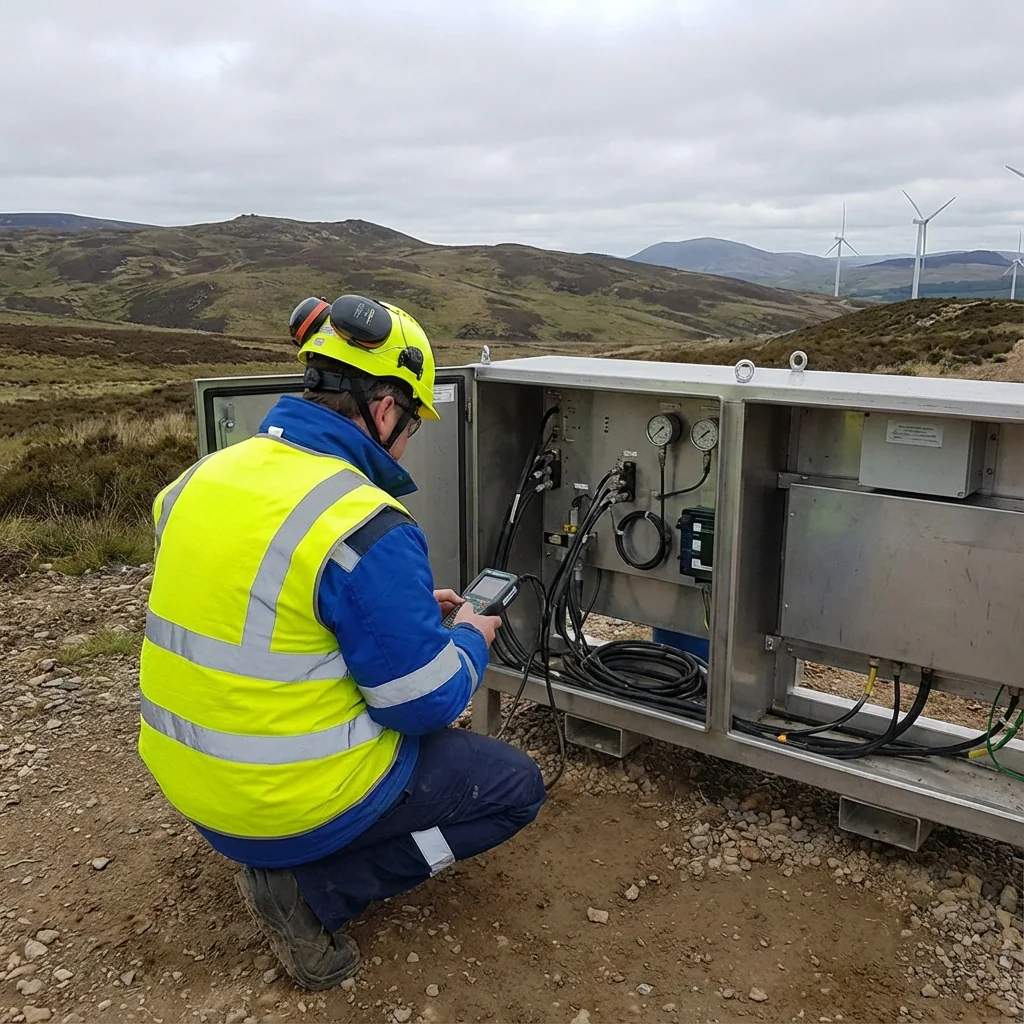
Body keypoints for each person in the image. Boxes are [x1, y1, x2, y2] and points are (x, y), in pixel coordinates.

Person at [138, 294, 546, 990]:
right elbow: (424, 706)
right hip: (283, 802)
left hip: (188, 779)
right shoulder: (361, 521)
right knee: (514, 789)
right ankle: (317, 891)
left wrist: (408, 614)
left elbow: (275, 612)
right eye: (413, 420)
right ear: (385, 408)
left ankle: (284, 854)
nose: (410, 436)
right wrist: (470, 640)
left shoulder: (196, 481)